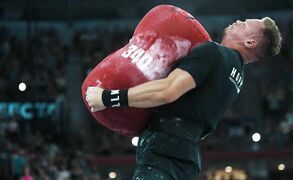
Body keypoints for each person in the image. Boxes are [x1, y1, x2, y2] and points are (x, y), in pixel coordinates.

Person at [86, 17, 282, 180]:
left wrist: (107, 98)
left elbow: (168, 90)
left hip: (166, 146)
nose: (239, 21)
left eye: (245, 24)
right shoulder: (237, 76)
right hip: (187, 155)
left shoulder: (213, 52)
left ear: (250, 42)